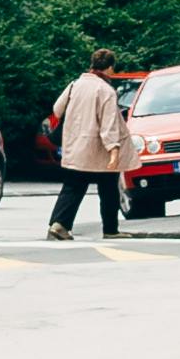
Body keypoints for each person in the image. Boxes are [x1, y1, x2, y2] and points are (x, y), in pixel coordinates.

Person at [42, 53, 131, 241]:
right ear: (109, 68)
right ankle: (111, 230)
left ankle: (59, 225)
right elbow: (109, 124)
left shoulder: (75, 85)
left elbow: (57, 109)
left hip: (75, 145)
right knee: (108, 189)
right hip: (98, 149)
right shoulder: (106, 91)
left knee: (73, 186)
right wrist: (113, 151)